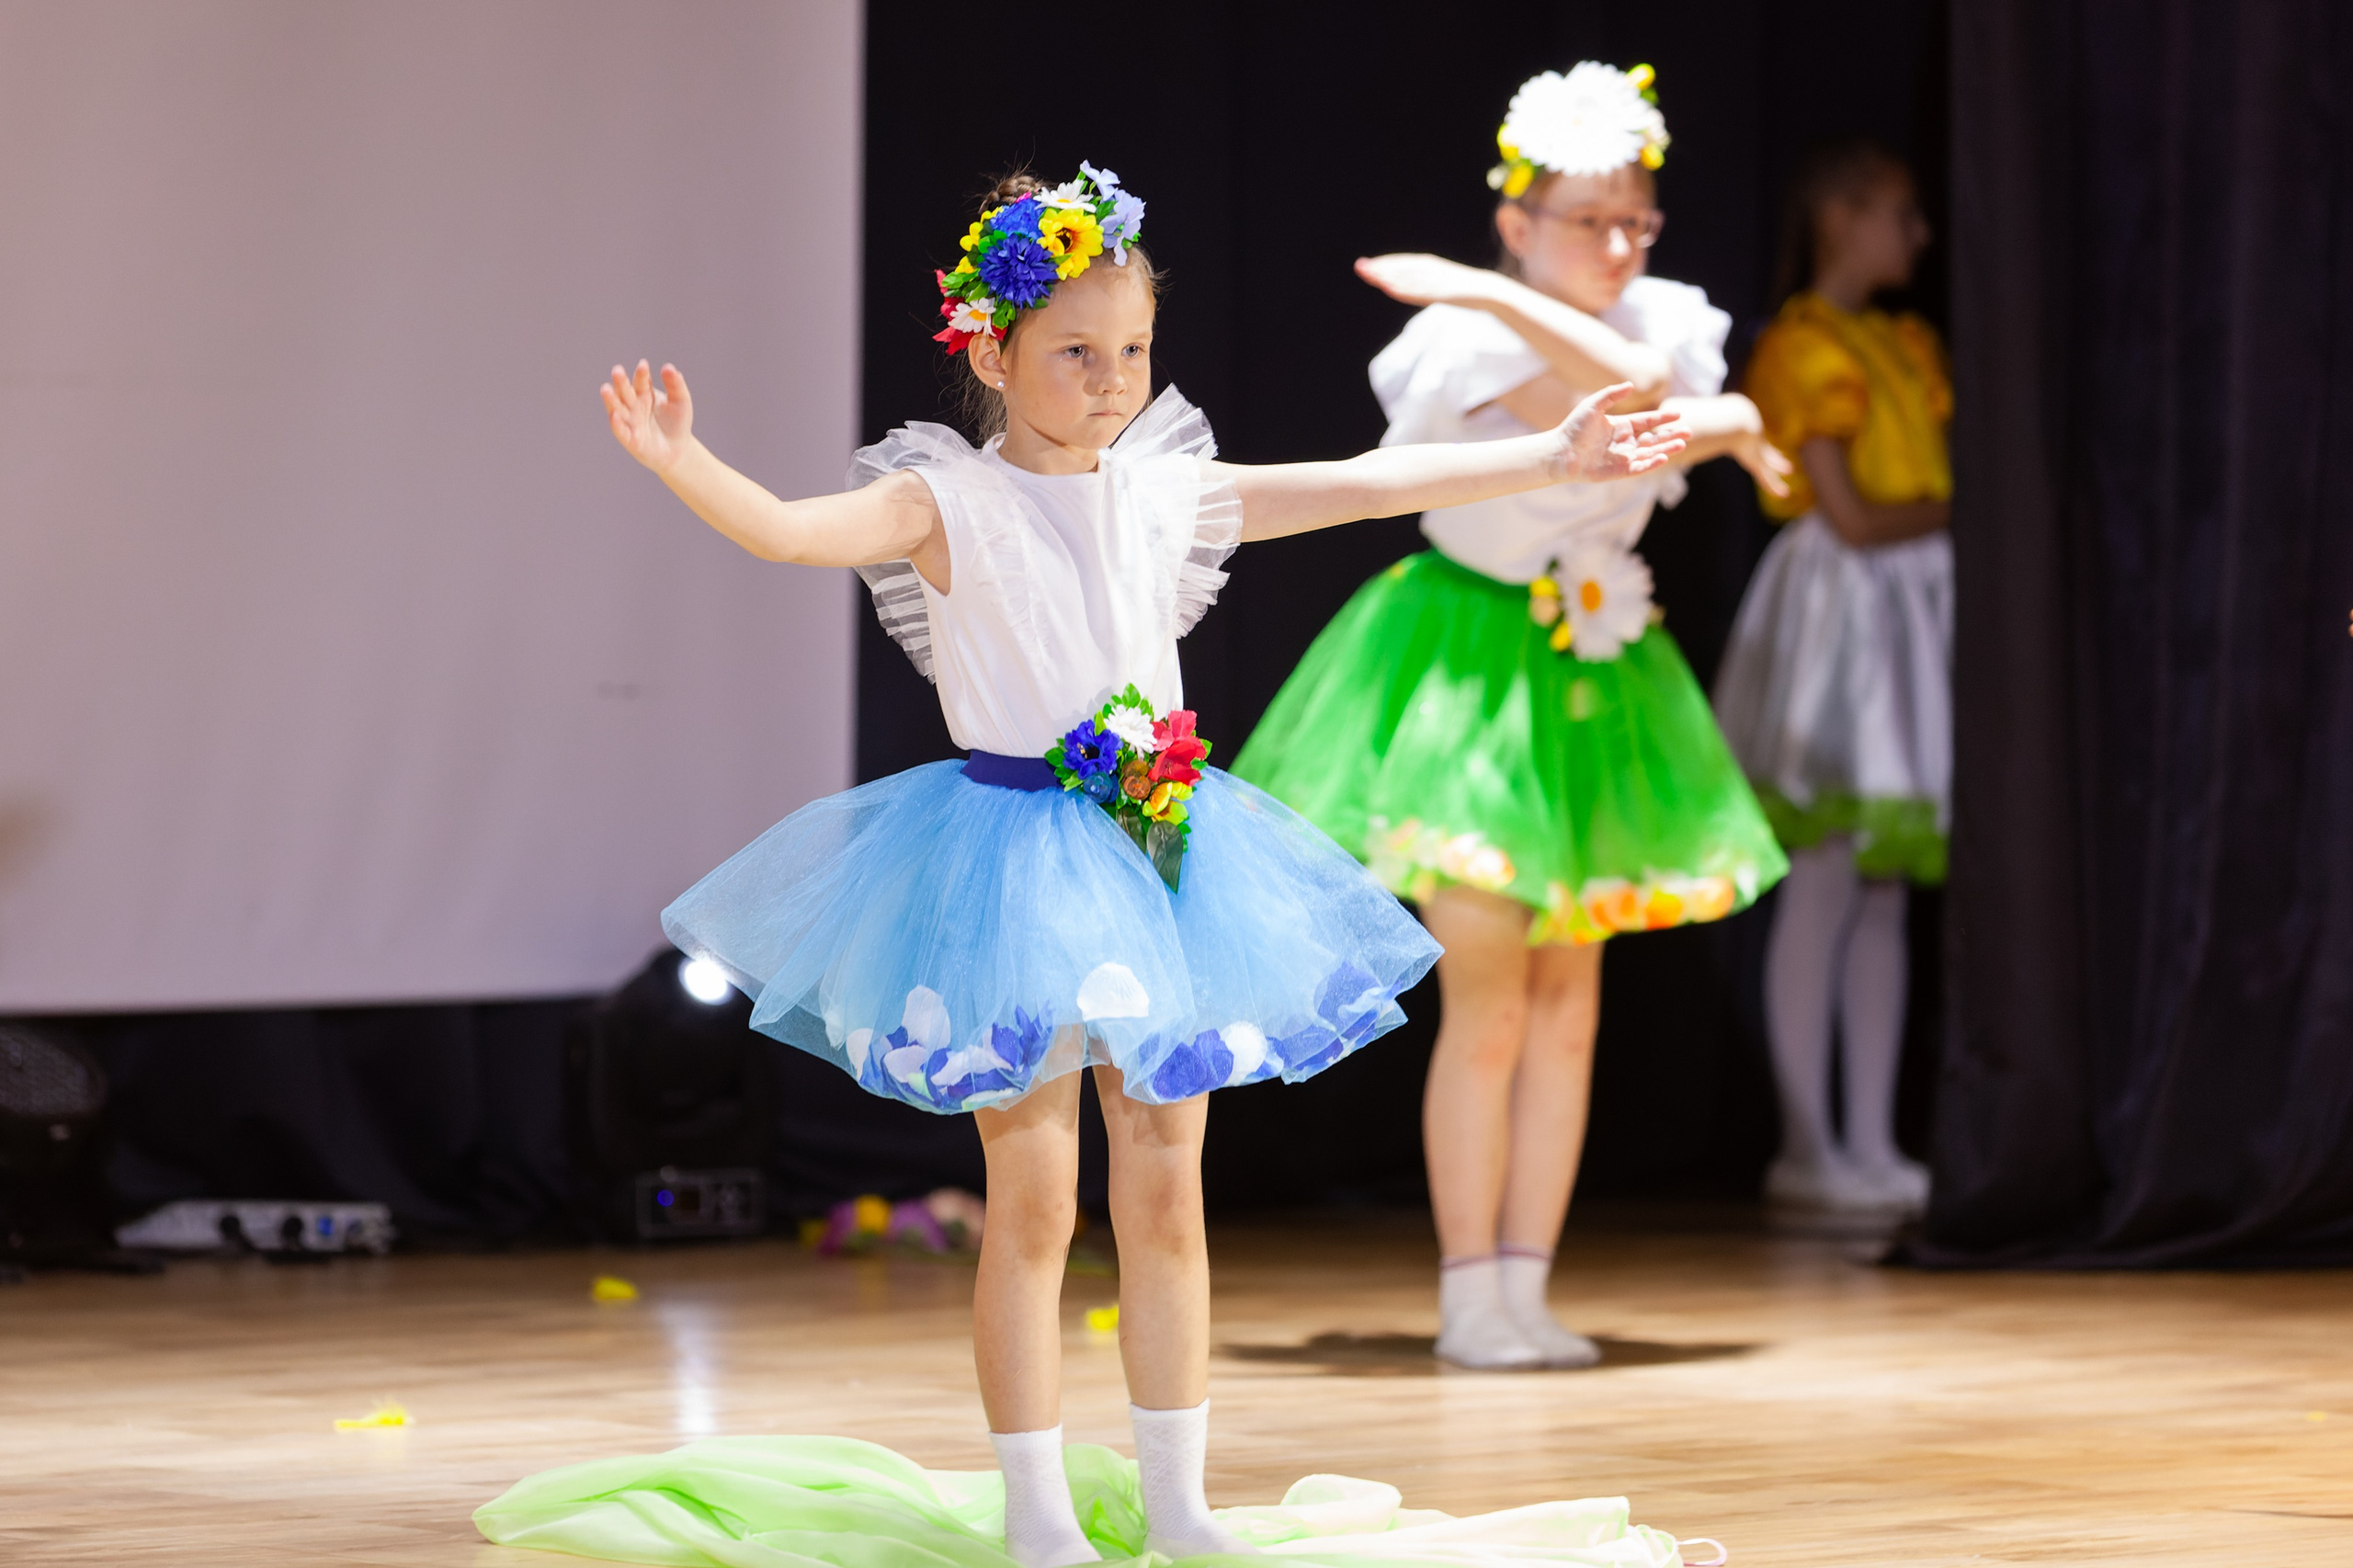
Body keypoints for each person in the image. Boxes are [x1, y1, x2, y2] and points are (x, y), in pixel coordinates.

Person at [520, 166, 1690, 1568]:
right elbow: (790, 529)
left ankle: (1183, 1501)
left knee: (1165, 1184)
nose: (1112, 377)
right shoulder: (942, 501)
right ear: (992, 350)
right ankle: (1036, 1513)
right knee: (1033, 1201)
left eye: (1132, 349)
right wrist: (682, 463)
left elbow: (1366, 483)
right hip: (1010, 863)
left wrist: (1555, 454)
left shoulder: (1159, 492)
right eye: (1077, 350)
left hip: (1159, 848)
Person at [1232, 64, 1790, 1371]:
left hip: (1596, 666)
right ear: (1519, 221)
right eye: (1589, 222)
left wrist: (1736, 415)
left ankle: (1528, 1282)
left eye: (1636, 224)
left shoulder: (1662, 320)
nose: (1617, 247)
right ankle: (1471, 1283)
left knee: (1570, 998)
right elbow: (1640, 415)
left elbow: (1677, 399)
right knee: (1486, 995)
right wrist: (1499, 303)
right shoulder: (1461, 344)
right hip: (1468, 666)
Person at [1711, 137, 1949, 1215]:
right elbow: (1849, 515)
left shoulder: (1901, 340)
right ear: (1841, 217)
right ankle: (1807, 1140)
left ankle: (1870, 1136)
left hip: (1906, 609)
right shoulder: (1807, 348)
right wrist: (1966, 516)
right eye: (1898, 212)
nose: (1918, 235)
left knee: (1884, 888)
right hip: (1847, 614)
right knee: (1828, 874)